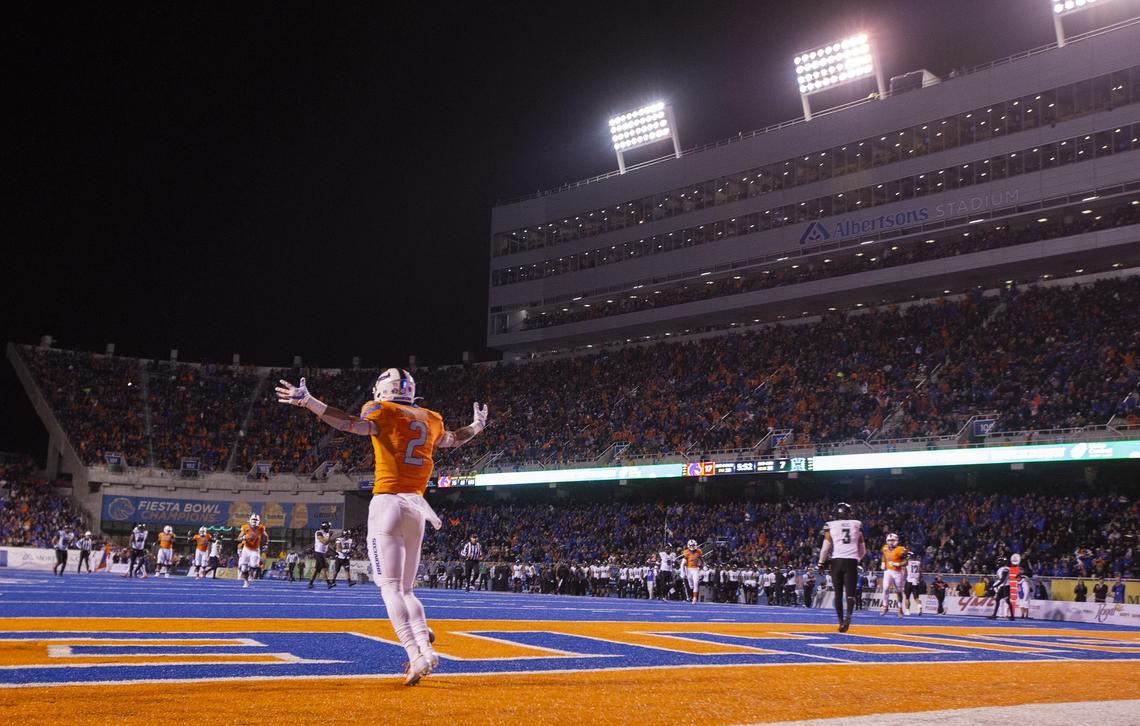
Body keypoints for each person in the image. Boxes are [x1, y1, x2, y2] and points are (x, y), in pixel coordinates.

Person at [276, 369, 487, 686]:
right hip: (416, 505)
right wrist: (478, 426)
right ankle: (425, 649)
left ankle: (415, 655)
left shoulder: (382, 410)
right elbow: (455, 438)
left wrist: (310, 402)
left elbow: (348, 423)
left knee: (389, 587)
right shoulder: (430, 417)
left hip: (388, 500)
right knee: (407, 590)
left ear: (383, 390)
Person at [817, 502, 866, 633]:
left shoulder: (831, 525)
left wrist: (820, 563)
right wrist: (857, 559)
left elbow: (825, 547)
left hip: (837, 561)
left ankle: (840, 622)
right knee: (850, 594)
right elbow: (863, 550)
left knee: (838, 594)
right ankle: (848, 618)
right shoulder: (856, 524)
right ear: (849, 513)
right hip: (851, 561)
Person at [236, 513, 267, 588]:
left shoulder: (261, 528)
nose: (254, 521)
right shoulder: (245, 527)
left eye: (256, 520)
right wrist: (243, 537)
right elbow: (238, 538)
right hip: (246, 549)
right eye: (253, 519)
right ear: (250, 520)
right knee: (243, 568)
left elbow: (265, 536)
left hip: (255, 549)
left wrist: (266, 544)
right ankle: (246, 582)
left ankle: (251, 574)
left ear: (259, 521)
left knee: (254, 565)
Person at [880, 534, 907, 618]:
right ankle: (885, 606)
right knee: (885, 588)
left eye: (892, 540)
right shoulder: (885, 547)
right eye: (889, 540)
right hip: (888, 571)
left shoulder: (901, 549)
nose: (891, 542)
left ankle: (899, 608)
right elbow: (884, 556)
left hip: (897, 572)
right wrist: (883, 562)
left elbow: (906, 562)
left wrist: (897, 564)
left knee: (899, 591)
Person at [309, 521, 334, 589]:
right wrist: (329, 535)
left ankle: (310, 583)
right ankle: (328, 583)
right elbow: (324, 542)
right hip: (318, 552)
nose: (329, 528)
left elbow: (327, 544)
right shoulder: (319, 532)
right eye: (328, 527)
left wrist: (333, 551)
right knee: (323, 567)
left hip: (323, 553)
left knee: (316, 569)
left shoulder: (326, 533)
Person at [682, 539, 702, 604]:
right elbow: (683, 563)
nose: (693, 546)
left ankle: (694, 598)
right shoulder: (686, 552)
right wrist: (683, 572)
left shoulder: (698, 551)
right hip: (688, 569)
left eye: (693, 545)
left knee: (696, 583)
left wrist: (701, 564)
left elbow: (701, 560)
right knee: (691, 586)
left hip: (696, 569)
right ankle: (691, 596)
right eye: (691, 545)